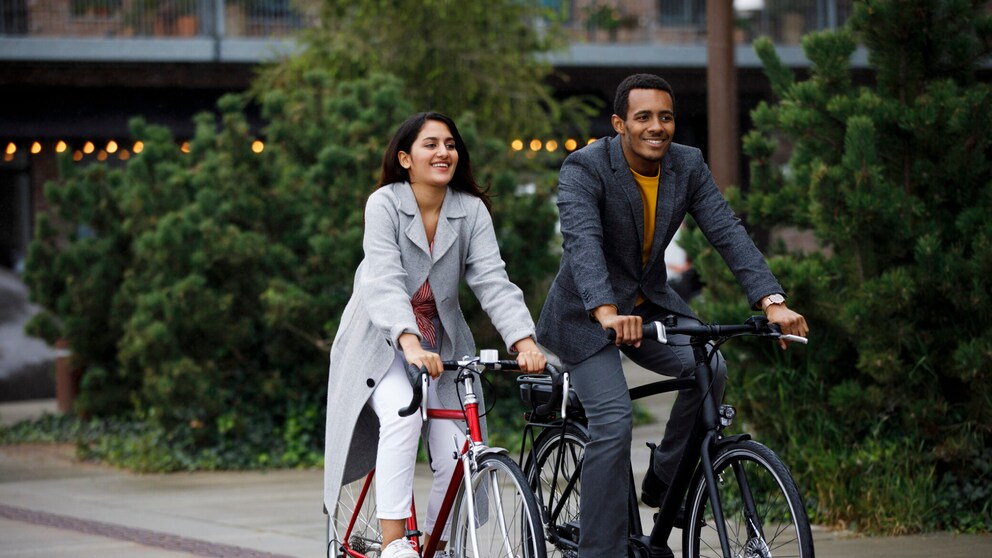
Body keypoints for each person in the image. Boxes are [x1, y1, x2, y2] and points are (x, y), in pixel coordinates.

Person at [536, 73, 809, 557]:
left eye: (665, 117)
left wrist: (772, 301)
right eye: (643, 117)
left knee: (710, 368)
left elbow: (726, 230)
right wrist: (605, 312)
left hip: (649, 306)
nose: (656, 126)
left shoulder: (687, 164)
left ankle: (665, 481)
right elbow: (583, 243)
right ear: (620, 123)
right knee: (614, 421)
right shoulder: (585, 167)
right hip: (586, 317)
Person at [323, 112, 547, 558]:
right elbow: (384, 279)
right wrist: (408, 341)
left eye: (450, 144)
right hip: (380, 340)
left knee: (459, 453)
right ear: (405, 158)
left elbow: (492, 280)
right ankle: (394, 544)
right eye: (431, 144)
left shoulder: (470, 210)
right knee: (402, 415)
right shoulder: (384, 203)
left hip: (441, 346)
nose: (443, 152)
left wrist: (524, 341)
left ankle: (436, 546)